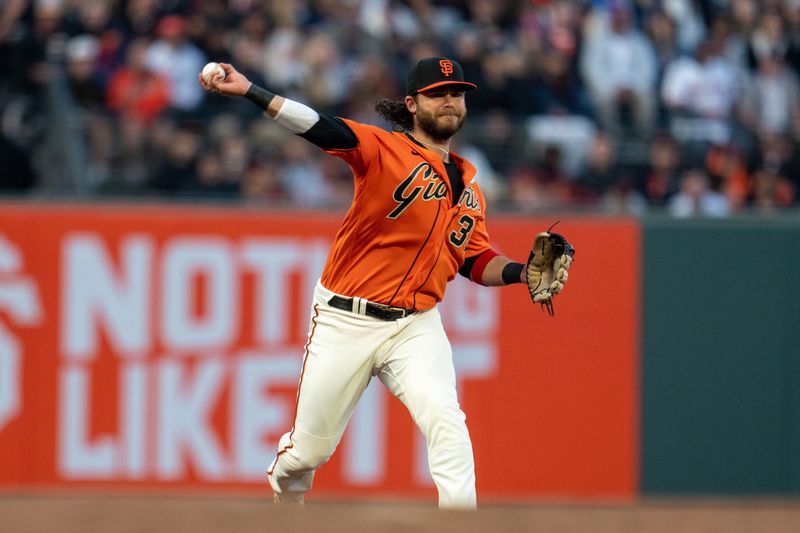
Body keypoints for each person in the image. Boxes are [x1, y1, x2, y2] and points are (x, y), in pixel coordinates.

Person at [199, 57, 558, 509]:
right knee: (307, 454)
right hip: (345, 318)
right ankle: (285, 509)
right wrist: (253, 91)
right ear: (412, 104)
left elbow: (473, 258)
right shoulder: (383, 149)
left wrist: (523, 273)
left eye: (457, 93)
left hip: (416, 325)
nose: (449, 101)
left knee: (446, 419)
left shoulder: (470, 186)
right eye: (437, 93)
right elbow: (320, 127)